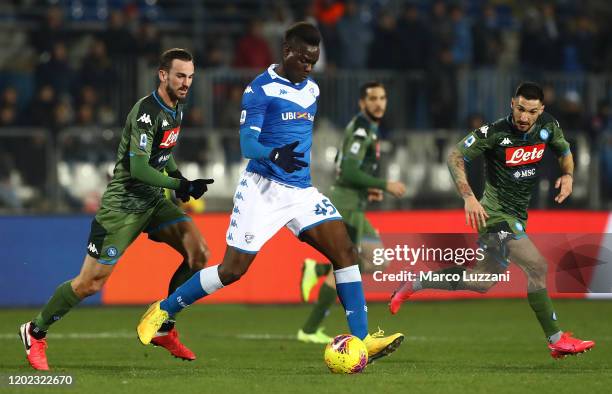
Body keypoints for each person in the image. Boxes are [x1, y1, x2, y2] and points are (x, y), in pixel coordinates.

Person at [136, 22, 405, 364]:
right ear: (287, 52)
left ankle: (363, 338)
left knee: (346, 252)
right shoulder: (259, 90)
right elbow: (248, 143)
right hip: (262, 190)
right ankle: (163, 309)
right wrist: (274, 153)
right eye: (304, 58)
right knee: (232, 271)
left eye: (315, 59)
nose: (309, 66)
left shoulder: (312, 90)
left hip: (301, 191)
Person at [19, 49, 214, 370]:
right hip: (123, 207)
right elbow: (138, 168)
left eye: (191, 77)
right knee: (89, 284)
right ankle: (35, 330)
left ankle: (163, 323)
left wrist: (178, 177)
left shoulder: (176, 107)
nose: (186, 83)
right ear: (162, 74)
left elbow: (164, 152)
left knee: (199, 253)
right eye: (180, 75)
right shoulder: (146, 112)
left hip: (153, 202)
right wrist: (180, 186)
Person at [389, 82, 595, 359]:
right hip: (494, 216)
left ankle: (417, 282)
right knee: (536, 265)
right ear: (512, 103)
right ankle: (557, 339)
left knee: (481, 281)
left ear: (541, 110)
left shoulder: (549, 125)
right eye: (520, 109)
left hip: (517, 216)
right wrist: (469, 197)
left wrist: (568, 175)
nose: (524, 117)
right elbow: (455, 155)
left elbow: (564, 151)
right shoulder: (494, 133)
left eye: (531, 112)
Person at [297, 81, 406, 343]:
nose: (379, 103)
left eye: (382, 98)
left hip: (354, 203)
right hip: (346, 207)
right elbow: (348, 170)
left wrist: (368, 190)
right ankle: (310, 330)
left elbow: (342, 165)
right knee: (347, 266)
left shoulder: (367, 128)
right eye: (373, 98)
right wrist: (384, 184)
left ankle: (319, 269)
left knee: (379, 260)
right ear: (362, 103)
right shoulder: (360, 129)